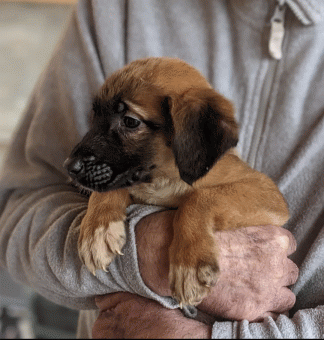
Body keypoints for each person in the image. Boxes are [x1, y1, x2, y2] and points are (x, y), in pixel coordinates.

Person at [0, 0, 323, 338]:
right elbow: (18, 215)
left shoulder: (202, 136)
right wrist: (143, 250)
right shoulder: (117, 9)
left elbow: (265, 202)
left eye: (129, 122)